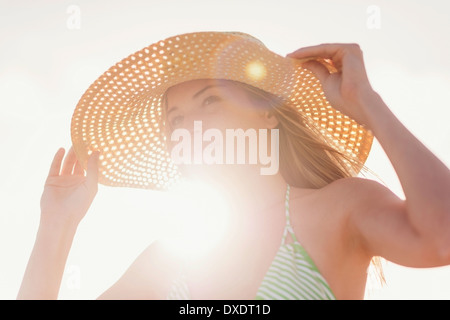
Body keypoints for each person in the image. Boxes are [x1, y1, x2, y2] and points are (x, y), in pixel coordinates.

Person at [17, 32, 450, 300]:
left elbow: (441, 236)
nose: (192, 126)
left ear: (266, 112)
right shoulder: (166, 262)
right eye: (176, 120)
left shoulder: (340, 208)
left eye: (209, 101)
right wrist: (57, 225)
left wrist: (366, 104)